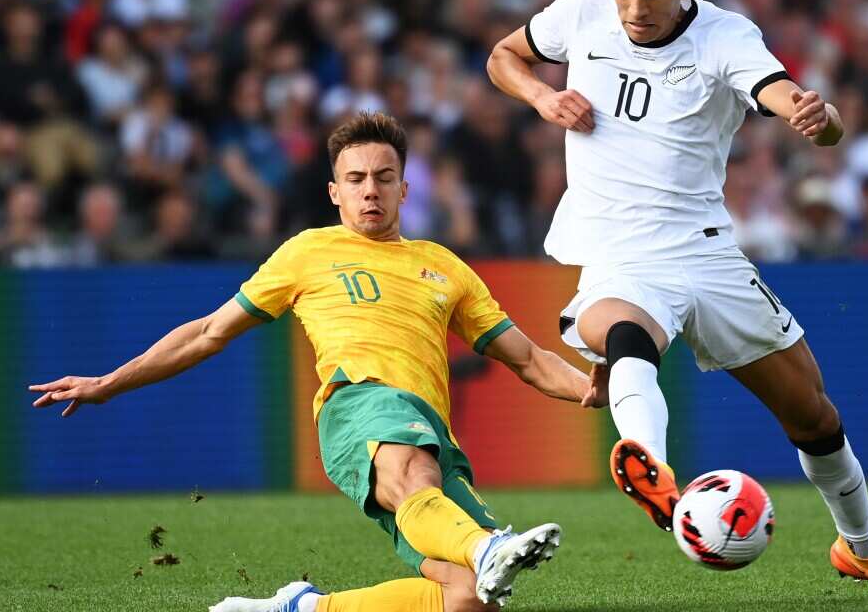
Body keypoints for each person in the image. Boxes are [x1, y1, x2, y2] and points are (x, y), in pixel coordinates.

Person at [486, 0, 868, 602]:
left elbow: (792, 102)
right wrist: (540, 95)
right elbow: (504, 56)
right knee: (623, 333)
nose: (634, 7)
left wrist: (816, 118)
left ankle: (865, 553)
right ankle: (650, 466)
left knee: (815, 418)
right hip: (619, 250)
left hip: (707, 254)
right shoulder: (582, 9)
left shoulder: (726, 37)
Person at [31, 112, 601, 611]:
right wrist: (109, 383)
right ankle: (487, 543)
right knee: (428, 492)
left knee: (471, 595)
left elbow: (527, 358)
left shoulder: (444, 267)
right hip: (359, 405)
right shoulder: (307, 252)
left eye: (383, 178)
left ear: (405, 188)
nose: (370, 191)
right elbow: (208, 332)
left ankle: (304, 607)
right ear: (335, 191)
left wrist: (595, 388)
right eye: (356, 180)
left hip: (428, 427)